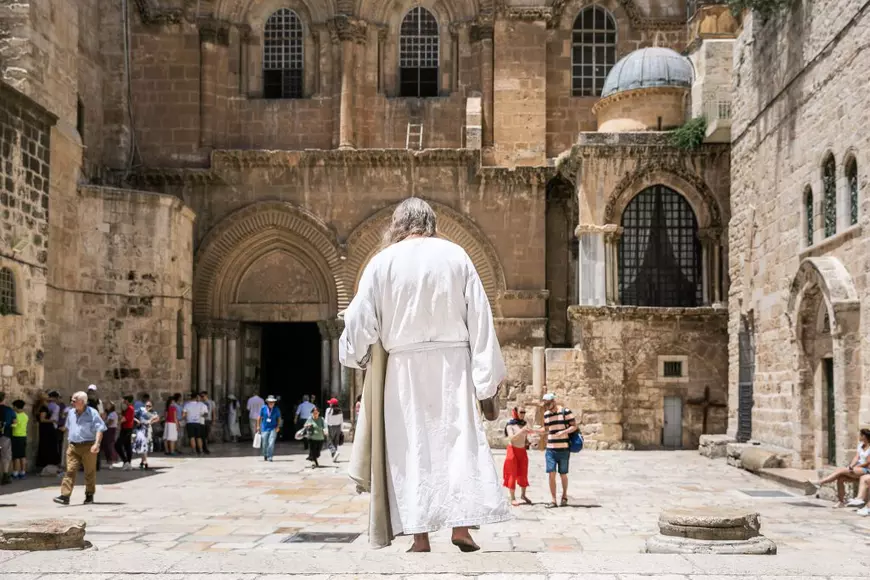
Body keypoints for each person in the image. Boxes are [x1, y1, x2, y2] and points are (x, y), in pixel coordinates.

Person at [339, 198, 510, 553]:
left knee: (412, 449)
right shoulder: (457, 256)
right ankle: (461, 530)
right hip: (454, 366)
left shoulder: (381, 262)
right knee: (458, 446)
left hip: (403, 370)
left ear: (398, 225)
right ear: (431, 223)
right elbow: (481, 317)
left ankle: (419, 538)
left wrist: (355, 355)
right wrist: (485, 383)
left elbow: (358, 320)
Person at [55, 391, 106, 505]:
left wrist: (96, 444)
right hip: (73, 446)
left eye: (74, 400)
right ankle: (65, 496)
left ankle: (89, 494)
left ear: (82, 402)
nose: (71, 402)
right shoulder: (71, 413)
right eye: (71, 400)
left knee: (89, 472)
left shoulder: (92, 413)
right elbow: (68, 427)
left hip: (88, 446)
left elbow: (100, 428)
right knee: (70, 470)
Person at [541, 393, 578, 509]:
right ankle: (553, 500)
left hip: (563, 448)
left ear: (553, 401)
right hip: (550, 449)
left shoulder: (565, 412)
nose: (547, 406)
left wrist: (563, 432)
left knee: (563, 474)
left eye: (548, 404)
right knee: (551, 474)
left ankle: (564, 495)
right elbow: (546, 429)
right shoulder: (546, 415)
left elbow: (574, 426)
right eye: (545, 404)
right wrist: (534, 432)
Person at [820, 428, 870, 508]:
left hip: (866, 470)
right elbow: (856, 457)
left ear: (864, 436)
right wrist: (851, 466)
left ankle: (821, 481)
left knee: (841, 470)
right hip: (858, 469)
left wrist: (856, 466)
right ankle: (841, 502)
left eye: (860, 435)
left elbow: (867, 462)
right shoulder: (860, 445)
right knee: (840, 478)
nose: (859, 437)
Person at [503, 407, 533, 506]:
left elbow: (524, 439)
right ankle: (512, 498)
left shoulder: (523, 424)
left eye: (524, 412)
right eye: (521, 412)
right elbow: (511, 438)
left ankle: (523, 495)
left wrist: (530, 442)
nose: (523, 414)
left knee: (523, 472)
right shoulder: (510, 425)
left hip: (522, 451)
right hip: (513, 451)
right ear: (515, 412)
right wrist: (522, 431)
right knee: (512, 473)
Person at [35, 392, 60, 469]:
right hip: (47, 428)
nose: (48, 396)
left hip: (45, 428)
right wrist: (53, 421)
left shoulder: (44, 406)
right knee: (49, 446)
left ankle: (47, 464)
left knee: (47, 445)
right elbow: (42, 419)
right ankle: (47, 464)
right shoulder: (44, 407)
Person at [133, 400, 159, 469]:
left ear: (152, 406)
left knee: (145, 445)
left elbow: (157, 418)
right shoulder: (141, 410)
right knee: (143, 444)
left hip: (148, 429)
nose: (148, 407)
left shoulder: (153, 412)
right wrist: (137, 421)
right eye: (146, 405)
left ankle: (142, 461)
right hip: (141, 429)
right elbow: (133, 416)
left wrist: (151, 421)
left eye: (149, 406)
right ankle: (145, 461)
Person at [257, 395, 281, 462]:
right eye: (270, 402)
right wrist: (258, 426)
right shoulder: (263, 408)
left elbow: (279, 418)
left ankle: (270, 456)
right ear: (267, 402)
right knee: (264, 443)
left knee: (271, 442)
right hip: (264, 428)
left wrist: (278, 426)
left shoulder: (276, 409)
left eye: (273, 402)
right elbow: (259, 417)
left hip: (273, 428)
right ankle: (265, 455)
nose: (271, 403)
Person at [115, 397, 135, 470]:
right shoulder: (127, 409)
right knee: (127, 446)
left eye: (124, 400)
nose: (123, 402)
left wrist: (118, 423)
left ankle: (126, 461)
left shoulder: (130, 408)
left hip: (127, 429)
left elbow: (125, 419)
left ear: (127, 401)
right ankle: (128, 463)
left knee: (117, 445)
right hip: (125, 429)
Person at [0, 392, 16, 485]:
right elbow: (14, 423)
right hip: (5, 435)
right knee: (6, 456)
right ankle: (5, 475)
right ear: (4, 399)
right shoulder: (9, 410)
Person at [11, 399, 28, 479]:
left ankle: (15, 472)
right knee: (22, 455)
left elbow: (14, 425)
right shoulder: (25, 416)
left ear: (15, 407)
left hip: (16, 436)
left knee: (16, 456)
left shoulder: (15, 415)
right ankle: (23, 472)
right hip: (23, 436)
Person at [101, 402, 118, 469]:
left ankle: (112, 460)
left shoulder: (113, 414)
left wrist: (103, 423)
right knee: (106, 445)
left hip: (110, 429)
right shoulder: (110, 414)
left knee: (110, 444)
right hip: (108, 429)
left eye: (109, 405)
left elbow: (109, 422)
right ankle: (109, 460)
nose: (107, 406)